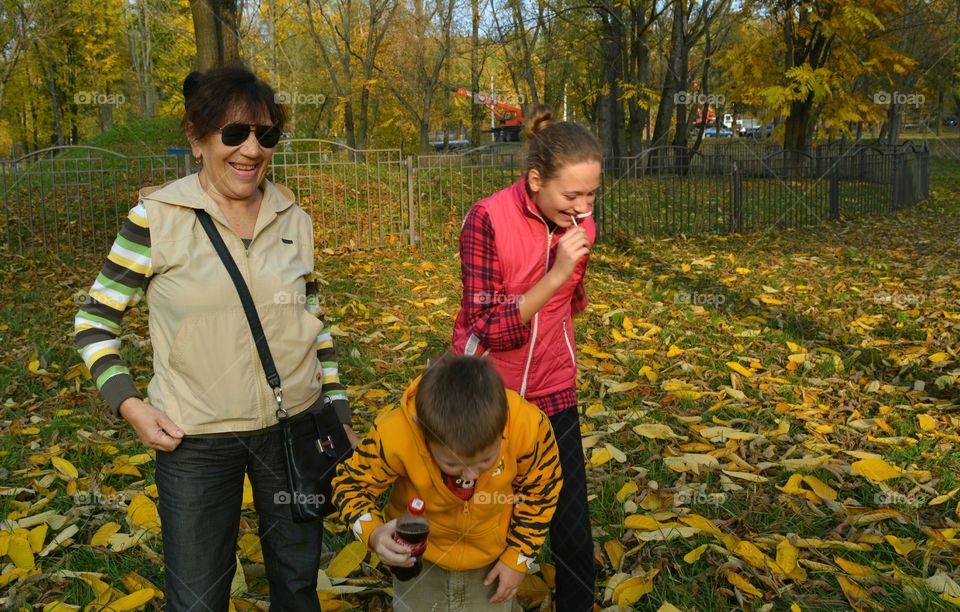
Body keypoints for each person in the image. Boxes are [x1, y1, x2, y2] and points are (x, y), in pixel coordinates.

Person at [74, 65, 356, 611]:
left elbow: (312, 318)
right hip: (195, 440)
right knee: (197, 598)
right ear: (196, 138)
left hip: (293, 430)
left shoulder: (293, 217)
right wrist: (129, 404)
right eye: (234, 133)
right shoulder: (155, 219)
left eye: (266, 134)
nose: (252, 149)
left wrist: (337, 407)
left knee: (298, 589)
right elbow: (93, 321)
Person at [451, 104, 601, 609]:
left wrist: (566, 287)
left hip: (555, 388)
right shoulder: (486, 218)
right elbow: (490, 326)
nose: (583, 207)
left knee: (573, 528)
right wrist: (555, 274)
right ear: (535, 179)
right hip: (488, 393)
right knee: (488, 520)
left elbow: (571, 299)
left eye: (591, 194)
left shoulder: (580, 226)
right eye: (572, 194)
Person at [331, 353, 562, 611]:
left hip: (491, 561)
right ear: (424, 434)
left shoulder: (527, 426)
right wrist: (373, 533)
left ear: (503, 427)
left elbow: (542, 490)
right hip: (418, 562)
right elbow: (351, 484)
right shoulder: (395, 432)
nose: (471, 475)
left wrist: (517, 558)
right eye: (453, 465)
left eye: (486, 461)